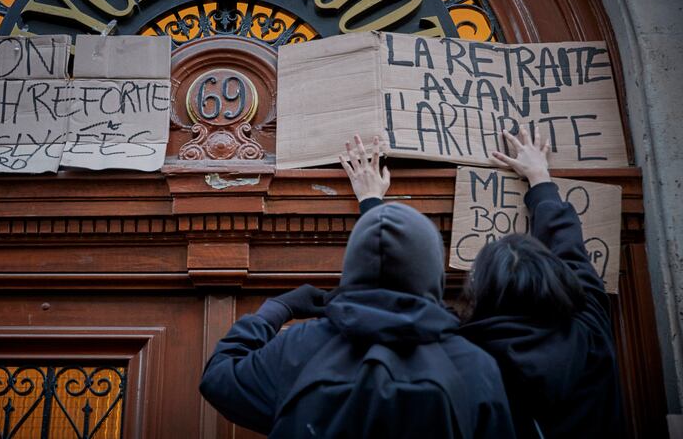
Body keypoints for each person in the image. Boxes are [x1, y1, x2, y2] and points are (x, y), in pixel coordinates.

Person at [200, 156, 516, 437]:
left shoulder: (301, 347)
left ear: (351, 268)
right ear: (433, 271)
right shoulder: (473, 365)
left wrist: (277, 308)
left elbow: (219, 379)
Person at [342, 130, 623, 438]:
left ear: (479, 294)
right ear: (558, 281)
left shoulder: (461, 350)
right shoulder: (590, 326)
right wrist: (540, 177)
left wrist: (373, 205)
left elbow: (401, 289)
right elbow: (570, 250)